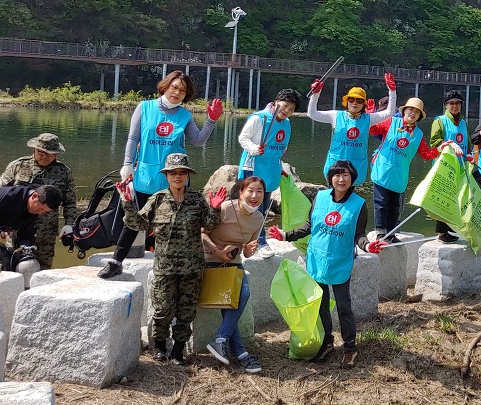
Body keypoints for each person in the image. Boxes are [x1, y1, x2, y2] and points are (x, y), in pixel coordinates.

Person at [99, 71, 222, 279]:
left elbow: (198, 141)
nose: (177, 92)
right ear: (165, 86)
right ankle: (116, 261)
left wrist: (211, 120)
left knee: (174, 222)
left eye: (182, 90)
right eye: (174, 87)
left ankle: (171, 264)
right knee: (134, 219)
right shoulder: (145, 108)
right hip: (146, 175)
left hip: (175, 178)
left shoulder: (184, 115)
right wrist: (127, 164)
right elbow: (133, 138)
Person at [270, 160, 386, 367]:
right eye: (337, 175)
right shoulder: (320, 197)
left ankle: (350, 348)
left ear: (352, 179)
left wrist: (368, 246)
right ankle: (327, 342)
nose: (341, 179)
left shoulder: (358, 204)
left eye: (345, 175)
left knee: (344, 307)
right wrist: (285, 235)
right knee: (321, 305)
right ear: (330, 178)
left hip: (340, 261)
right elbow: (309, 226)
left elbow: (358, 235)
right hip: (317, 259)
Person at [116, 152, 222, 365]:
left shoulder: (196, 200)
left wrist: (215, 208)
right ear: (166, 176)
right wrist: (127, 203)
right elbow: (138, 224)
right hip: (165, 267)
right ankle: (160, 346)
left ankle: (178, 351)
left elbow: (210, 225)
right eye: (173, 173)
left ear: (188, 175)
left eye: (182, 172)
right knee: (163, 309)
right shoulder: (158, 199)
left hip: (192, 267)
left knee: (186, 311)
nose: (178, 176)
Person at [201, 176, 266, 374]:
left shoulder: (259, 219)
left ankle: (222, 340)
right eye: (250, 190)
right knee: (238, 295)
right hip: (211, 259)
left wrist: (248, 250)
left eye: (259, 192)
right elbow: (202, 233)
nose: (254, 196)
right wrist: (217, 251)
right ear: (240, 192)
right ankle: (240, 352)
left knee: (241, 294)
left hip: (233, 262)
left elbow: (247, 252)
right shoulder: (225, 208)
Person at [0, 133, 77, 269]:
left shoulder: (64, 172)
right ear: (34, 150)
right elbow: (0, 195)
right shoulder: (18, 166)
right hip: (16, 228)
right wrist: (0, 223)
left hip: (46, 232)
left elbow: (70, 202)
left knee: (43, 270)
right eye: (41, 152)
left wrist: (69, 224)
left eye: (48, 154)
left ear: (56, 154)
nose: (44, 156)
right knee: (12, 266)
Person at [368, 98, 440, 241]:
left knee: (395, 206)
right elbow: (373, 130)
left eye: (417, 112)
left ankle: (391, 233)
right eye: (410, 110)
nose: (413, 113)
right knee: (381, 202)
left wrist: (440, 148)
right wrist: (371, 115)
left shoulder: (418, 135)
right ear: (404, 111)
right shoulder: (391, 121)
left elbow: (426, 154)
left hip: (399, 174)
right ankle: (381, 232)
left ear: (419, 117)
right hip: (383, 169)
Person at [307, 73, 397, 185]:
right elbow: (312, 114)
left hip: (355, 167)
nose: (355, 103)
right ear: (347, 101)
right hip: (335, 165)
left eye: (359, 101)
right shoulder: (336, 116)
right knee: (334, 193)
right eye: (351, 99)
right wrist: (315, 95)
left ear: (363, 104)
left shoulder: (369, 119)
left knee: (350, 193)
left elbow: (390, 112)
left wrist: (392, 91)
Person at [237, 88, 302, 229]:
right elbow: (243, 138)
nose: (286, 111)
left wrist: (279, 168)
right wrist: (255, 148)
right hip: (253, 167)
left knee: (263, 208)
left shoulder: (286, 123)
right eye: (285, 105)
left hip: (270, 170)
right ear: (277, 102)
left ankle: (259, 237)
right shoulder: (259, 118)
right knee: (250, 207)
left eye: (291, 109)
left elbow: (280, 149)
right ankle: (247, 237)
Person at [429, 90, 469, 157]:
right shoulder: (439, 120)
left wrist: (469, 155)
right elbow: (434, 143)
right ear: (446, 105)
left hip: (462, 162)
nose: (455, 106)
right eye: (451, 103)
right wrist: (449, 144)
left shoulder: (463, 122)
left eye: (457, 103)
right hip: (445, 162)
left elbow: (468, 143)